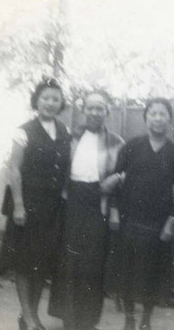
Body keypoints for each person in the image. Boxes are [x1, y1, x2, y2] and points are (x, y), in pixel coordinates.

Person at [48, 90, 124, 330]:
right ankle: (69, 319)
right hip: (72, 200)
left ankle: (88, 320)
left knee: (92, 262)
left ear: (107, 113)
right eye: (90, 107)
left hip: (98, 201)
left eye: (100, 108)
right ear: (83, 110)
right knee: (69, 260)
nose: (94, 112)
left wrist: (118, 179)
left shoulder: (117, 142)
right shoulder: (70, 136)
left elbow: (126, 173)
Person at [0, 78, 71, 330]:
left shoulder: (64, 131)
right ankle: (29, 316)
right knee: (24, 262)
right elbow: (14, 169)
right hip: (27, 205)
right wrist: (18, 205)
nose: (50, 103)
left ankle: (30, 314)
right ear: (37, 100)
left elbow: (65, 169)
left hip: (51, 208)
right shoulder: (23, 131)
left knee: (43, 262)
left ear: (61, 103)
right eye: (46, 98)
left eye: (55, 99)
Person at [110, 98, 174, 330]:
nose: (158, 118)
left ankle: (146, 319)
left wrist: (171, 221)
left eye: (163, 114)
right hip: (130, 219)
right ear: (146, 118)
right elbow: (115, 181)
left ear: (170, 120)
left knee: (153, 272)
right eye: (153, 113)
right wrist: (114, 212)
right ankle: (130, 318)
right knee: (129, 270)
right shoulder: (131, 146)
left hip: (158, 223)